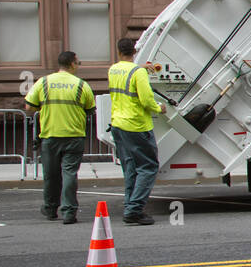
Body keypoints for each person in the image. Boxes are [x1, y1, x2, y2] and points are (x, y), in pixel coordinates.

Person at [24, 51, 95, 225]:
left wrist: (45, 108)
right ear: (72, 64)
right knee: (69, 173)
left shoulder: (43, 82)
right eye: (78, 63)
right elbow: (90, 109)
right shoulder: (81, 85)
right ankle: (69, 212)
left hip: (50, 136)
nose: (78, 66)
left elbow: (29, 107)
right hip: (74, 136)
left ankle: (50, 209)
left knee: (51, 175)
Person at [108, 38, 165, 225]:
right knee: (148, 167)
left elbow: (126, 71)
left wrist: (141, 68)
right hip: (136, 126)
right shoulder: (138, 72)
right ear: (134, 51)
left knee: (130, 167)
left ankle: (129, 205)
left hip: (118, 125)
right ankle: (134, 209)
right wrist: (159, 108)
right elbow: (147, 99)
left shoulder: (113, 69)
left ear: (118, 52)